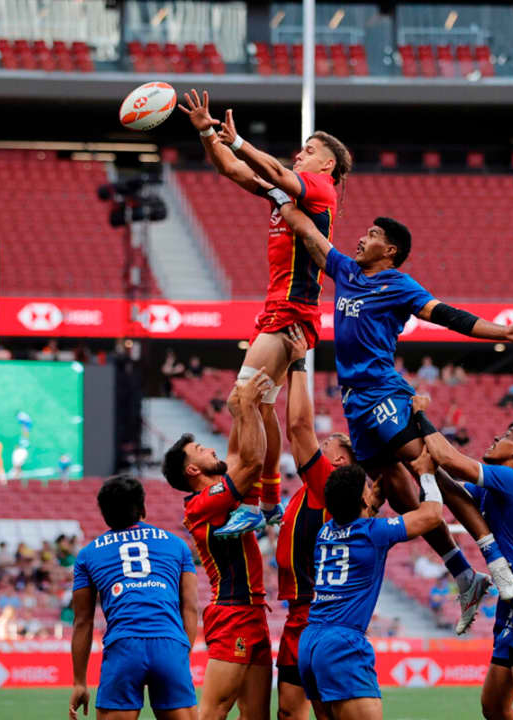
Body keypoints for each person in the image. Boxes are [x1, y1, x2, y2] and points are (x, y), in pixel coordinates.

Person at [273, 196, 513, 632]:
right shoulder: (346, 271)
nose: (362, 238)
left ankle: (496, 565)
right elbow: (309, 234)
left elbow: (449, 316)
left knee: (435, 471)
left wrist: (502, 332)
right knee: (401, 494)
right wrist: (278, 195)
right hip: (354, 403)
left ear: (390, 250)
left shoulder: (399, 285)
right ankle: (464, 575)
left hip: (384, 393)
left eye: (373, 235)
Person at [179, 88, 351, 535]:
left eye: (309, 151)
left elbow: (270, 168)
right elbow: (233, 170)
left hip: (291, 310)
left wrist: (236, 140)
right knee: (263, 405)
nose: (300, 154)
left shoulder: (319, 188)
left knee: (242, 400)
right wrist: (207, 136)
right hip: (278, 307)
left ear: (327, 165)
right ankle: (271, 499)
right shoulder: (287, 194)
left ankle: (251, 501)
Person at [412, 397, 513, 720]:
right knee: (494, 707)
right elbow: (455, 495)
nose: (496, 437)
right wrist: (424, 468)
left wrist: (419, 414)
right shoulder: (498, 489)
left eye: (507, 435)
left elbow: (448, 458)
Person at [162, 369, 273, 720]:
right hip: (232, 613)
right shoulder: (200, 505)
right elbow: (252, 463)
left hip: (254, 611)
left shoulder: (218, 493)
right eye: (200, 450)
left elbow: (239, 454)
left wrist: (240, 409)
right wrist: (247, 409)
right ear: (193, 471)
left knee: (256, 715)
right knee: (213, 712)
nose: (211, 448)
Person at [298, 460, 444, 719]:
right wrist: (426, 474)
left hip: (311, 642)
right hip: (342, 643)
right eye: (367, 488)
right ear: (362, 500)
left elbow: (359, 516)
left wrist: (372, 497)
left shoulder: (325, 532)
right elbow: (431, 515)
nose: (370, 490)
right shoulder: (374, 533)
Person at [274, 325, 356, 720]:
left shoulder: (330, 485)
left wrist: (297, 364)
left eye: (326, 449)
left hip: (318, 613)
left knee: (327, 713)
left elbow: (299, 429)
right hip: (298, 613)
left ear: (339, 461)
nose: (316, 453)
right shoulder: (306, 491)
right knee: (289, 712)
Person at [69, 475, 199, 720]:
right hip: (169, 643)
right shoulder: (178, 545)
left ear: (104, 515)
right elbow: (190, 607)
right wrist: (181, 657)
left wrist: (79, 682)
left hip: (123, 647)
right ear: (143, 509)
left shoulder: (87, 555)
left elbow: (83, 621)